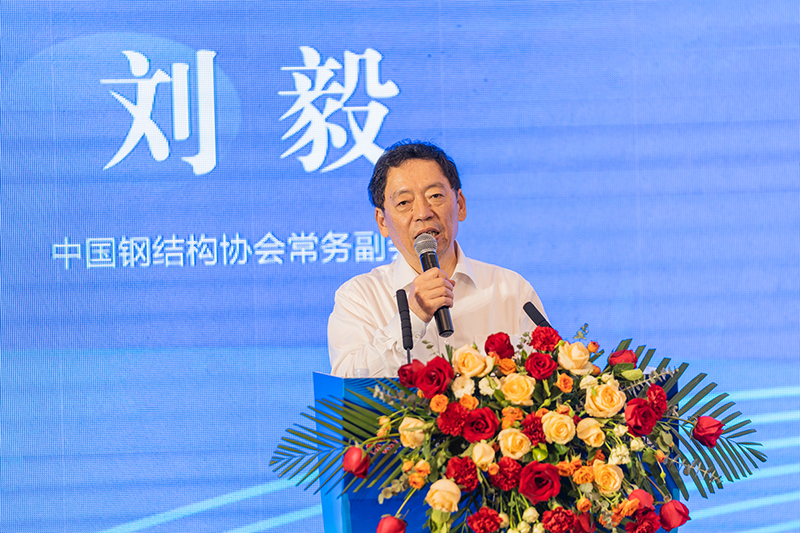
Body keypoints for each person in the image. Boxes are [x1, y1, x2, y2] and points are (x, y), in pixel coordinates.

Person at [328, 141, 547, 378]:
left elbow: (552, 373)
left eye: (435, 196)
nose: (423, 213)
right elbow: (347, 384)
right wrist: (413, 317)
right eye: (404, 203)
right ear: (382, 222)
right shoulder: (359, 297)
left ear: (460, 205)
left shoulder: (511, 290)